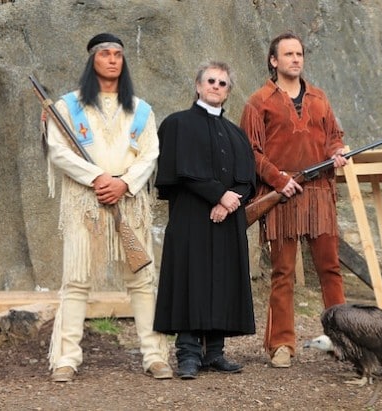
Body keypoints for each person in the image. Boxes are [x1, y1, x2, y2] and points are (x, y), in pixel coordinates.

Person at [44, 33, 172, 382]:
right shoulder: (67, 107)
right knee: (76, 280)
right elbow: (58, 151)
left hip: (128, 201)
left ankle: (155, 355)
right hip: (86, 200)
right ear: (93, 60)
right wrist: (98, 177)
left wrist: (124, 184)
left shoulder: (141, 109)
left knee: (142, 280)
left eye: (118, 54)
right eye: (105, 54)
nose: (113, 59)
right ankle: (66, 359)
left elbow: (150, 154)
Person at [240, 32, 348, 368]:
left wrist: (338, 154)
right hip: (282, 199)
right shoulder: (258, 102)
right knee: (283, 272)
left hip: (319, 197)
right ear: (274, 61)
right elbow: (251, 152)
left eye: (299, 53)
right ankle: (281, 345)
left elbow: (334, 138)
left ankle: (343, 339)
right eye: (288, 54)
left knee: (330, 269)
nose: (295, 59)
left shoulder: (319, 98)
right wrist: (279, 180)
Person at [153, 61, 256, 380]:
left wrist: (230, 201)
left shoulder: (236, 134)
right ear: (197, 86)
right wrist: (217, 195)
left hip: (227, 219)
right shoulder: (177, 124)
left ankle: (215, 353)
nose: (216, 86)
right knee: (190, 280)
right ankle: (187, 354)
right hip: (190, 217)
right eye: (210, 81)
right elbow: (178, 170)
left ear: (228, 92)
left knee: (222, 280)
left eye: (223, 83)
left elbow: (248, 179)